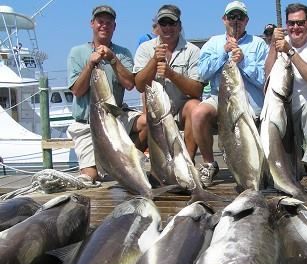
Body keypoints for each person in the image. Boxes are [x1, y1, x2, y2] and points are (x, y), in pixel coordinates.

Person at [67, 5, 147, 184]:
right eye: (100, 22)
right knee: (90, 177)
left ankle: (125, 165)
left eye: (108, 23)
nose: (104, 26)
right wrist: (90, 64)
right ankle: (114, 166)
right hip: (87, 124)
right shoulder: (77, 52)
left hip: (115, 118)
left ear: (114, 27)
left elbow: (129, 84)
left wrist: (112, 59)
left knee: (147, 121)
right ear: (92, 24)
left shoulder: (122, 53)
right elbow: (77, 91)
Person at [191, 1, 268, 187]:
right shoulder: (213, 43)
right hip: (220, 97)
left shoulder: (258, 44)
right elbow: (202, 73)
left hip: (250, 100)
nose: (236, 21)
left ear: (247, 20)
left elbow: (264, 79)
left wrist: (243, 62)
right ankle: (209, 164)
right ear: (224, 19)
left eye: (240, 17)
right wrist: (222, 53)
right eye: (231, 17)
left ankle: (255, 171)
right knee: (198, 113)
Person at [265, 3, 307, 192]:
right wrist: (273, 48)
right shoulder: (279, 43)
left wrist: (290, 52)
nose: (295, 28)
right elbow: (267, 76)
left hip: (306, 112)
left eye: (300, 23)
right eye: (291, 23)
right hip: (284, 108)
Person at [134, 4, 204, 163]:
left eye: (172, 23)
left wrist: (171, 74)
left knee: (194, 106)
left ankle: (187, 164)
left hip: (180, 112)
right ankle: (132, 167)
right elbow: (139, 85)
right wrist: (154, 60)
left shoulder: (193, 51)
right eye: (163, 23)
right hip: (155, 112)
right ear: (156, 27)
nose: (168, 28)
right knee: (144, 125)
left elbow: (197, 91)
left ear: (179, 26)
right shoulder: (145, 49)